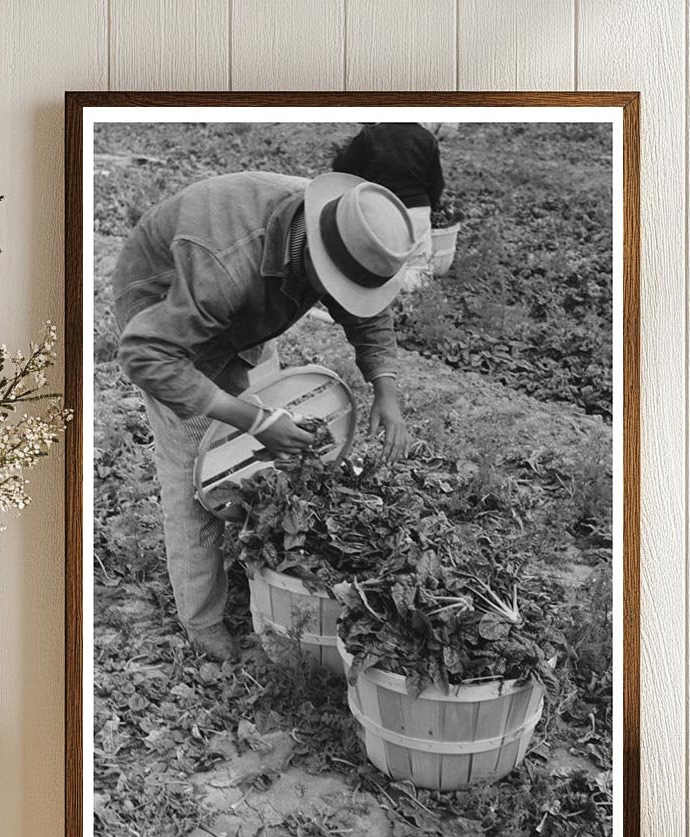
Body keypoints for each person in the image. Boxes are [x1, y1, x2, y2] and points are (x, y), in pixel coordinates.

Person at [112, 171, 414, 662]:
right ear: (313, 259)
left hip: (243, 306)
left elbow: (367, 306)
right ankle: (203, 620)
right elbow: (148, 356)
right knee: (198, 476)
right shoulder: (225, 265)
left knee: (259, 454)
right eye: (337, 286)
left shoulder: (345, 228)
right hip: (163, 321)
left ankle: (255, 568)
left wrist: (386, 387)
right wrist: (252, 420)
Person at [332, 123, 447, 290]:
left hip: (379, 209)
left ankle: (381, 299)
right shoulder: (426, 138)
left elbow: (342, 169)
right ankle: (411, 303)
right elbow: (436, 182)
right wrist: (434, 205)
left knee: (378, 265)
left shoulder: (370, 136)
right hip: (416, 211)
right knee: (418, 267)